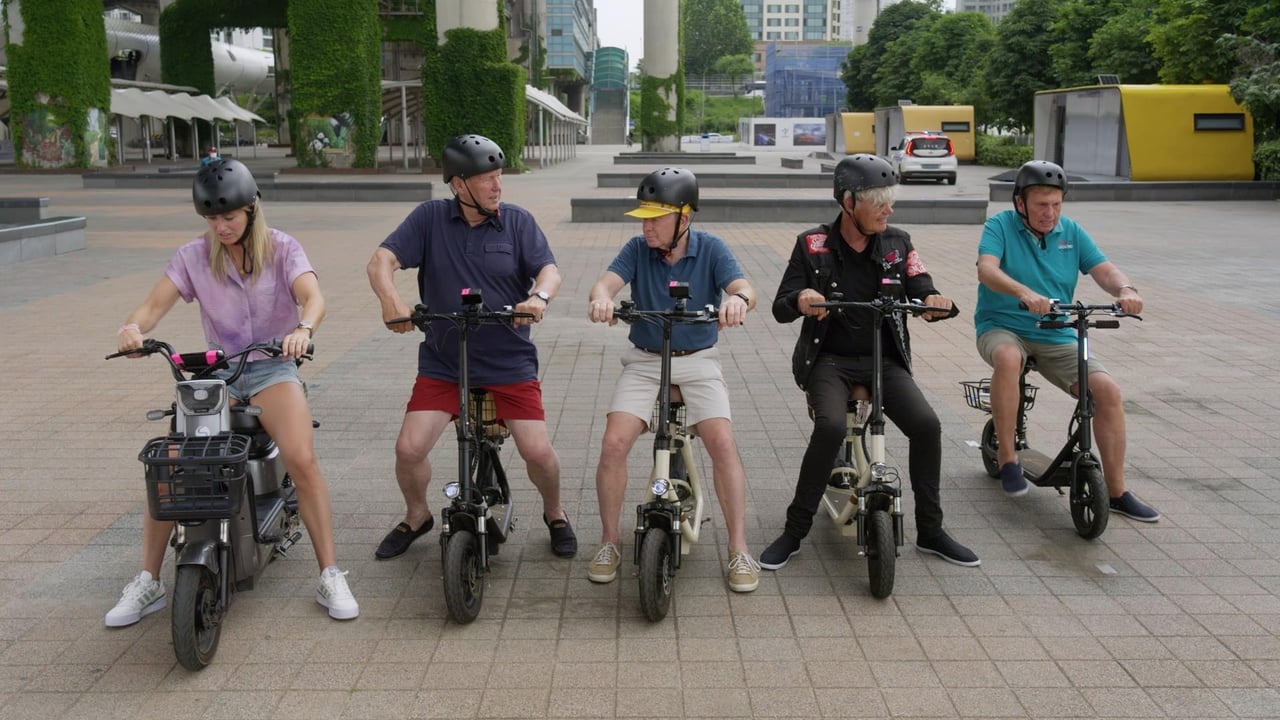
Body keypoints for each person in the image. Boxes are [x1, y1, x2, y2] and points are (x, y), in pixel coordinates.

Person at [107, 158, 358, 627]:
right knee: (171, 466)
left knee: (302, 459)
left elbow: (313, 298)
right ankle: (148, 580)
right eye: (211, 219)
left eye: (228, 217)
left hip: (271, 368)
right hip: (218, 374)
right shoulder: (193, 256)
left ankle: (330, 573)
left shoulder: (283, 248)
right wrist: (132, 329)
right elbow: (152, 306)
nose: (220, 227)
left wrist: (303, 329)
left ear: (251, 209)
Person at [763, 153, 980, 570]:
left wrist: (933, 300)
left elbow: (921, 285)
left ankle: (931, 530)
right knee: (830, 427)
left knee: (927, 426)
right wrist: (802, 298)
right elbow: (780, 306)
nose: (888, 210)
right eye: (878, 202)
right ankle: (794, 531)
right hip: (828, 361)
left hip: (884, 360)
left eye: (890, 201)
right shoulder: (812, 244)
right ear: (848, 202)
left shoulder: (898, 243)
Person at [367, 133, 577, 560]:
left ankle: (555, 513)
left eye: (499, 176)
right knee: (408, 449)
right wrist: (391, 300)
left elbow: (549, 271)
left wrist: (538, 299)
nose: (498, 186)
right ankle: (417, 515)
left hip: (508, 362)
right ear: (459, 184)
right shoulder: (429, 218)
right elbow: (380, 261)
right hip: (445, 363)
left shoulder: (517, 222)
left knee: (538, 451)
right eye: (487, 179)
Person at [585, 167, 761, 593]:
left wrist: (738, 301)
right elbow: (603, 285)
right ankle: (609, 541)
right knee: (613, 444)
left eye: (655, 218)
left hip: (698, 360)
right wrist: (602, 300)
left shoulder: (711, 248)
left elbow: (745, 288)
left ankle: (738, 548)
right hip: (645, 360)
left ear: (684, 217)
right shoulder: (636, 249)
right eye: (643, 218)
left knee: (722, 443)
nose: (646, 227)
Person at [975, 160, 1159, 521]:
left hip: (1055, 330)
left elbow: (1103, 269)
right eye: (1041, 205)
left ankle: (1117, 492)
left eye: (1056, 204)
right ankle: (1009, 458)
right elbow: (987, 269)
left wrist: (1125, 289)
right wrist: (1023, 292)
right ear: (1020, 203)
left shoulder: (1071, 232)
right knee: (1009, 359)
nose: (1050, 213)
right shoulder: (1000, 225)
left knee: (1107, 392)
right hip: (1002, 325)